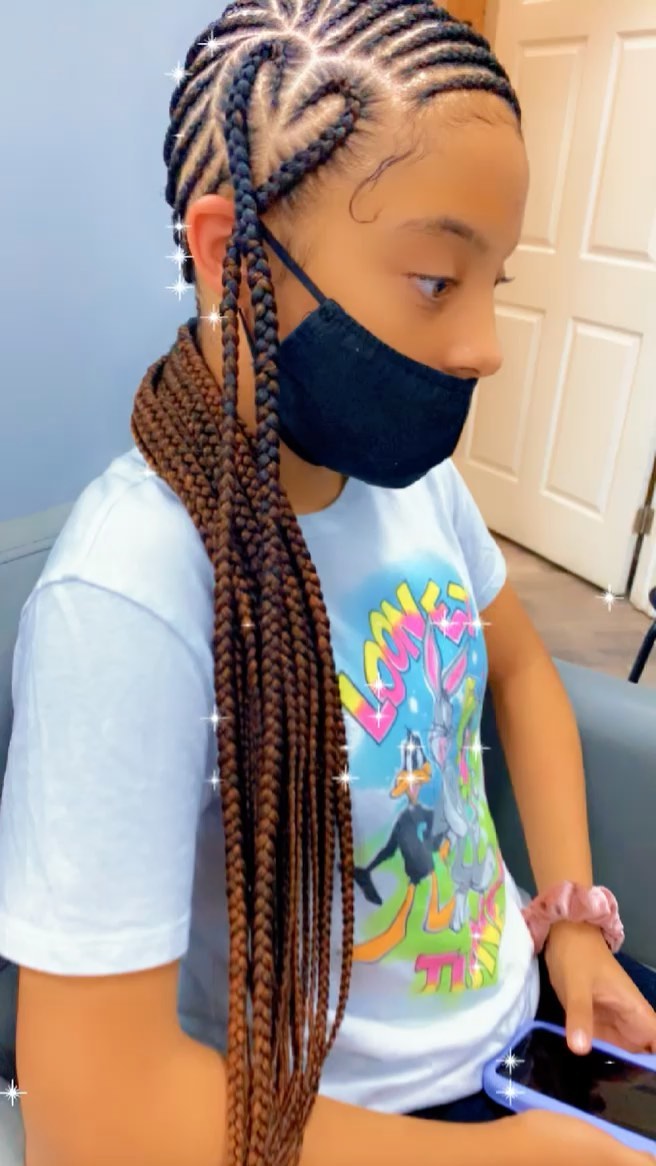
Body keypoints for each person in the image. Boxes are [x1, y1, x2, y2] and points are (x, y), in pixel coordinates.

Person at [0, 3, 655, 1165]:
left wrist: (569, 926)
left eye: (494, 281)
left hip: (529, 1019)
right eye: (435, 279)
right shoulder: (134, 592)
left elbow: (519, 670)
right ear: (229, 254)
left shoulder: (412, 483)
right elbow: (89, 1114)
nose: (486, 345)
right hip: (346, 1123)